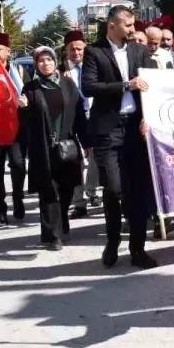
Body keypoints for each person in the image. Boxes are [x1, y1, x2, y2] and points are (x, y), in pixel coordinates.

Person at [81, 5, 159, 269]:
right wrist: (126, 85)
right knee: (114, 190)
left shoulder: (139, 51)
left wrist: (149, 118)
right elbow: (89, 87)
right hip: (108, 131)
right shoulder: (94, 51)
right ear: (112, 26)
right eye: (127, 25)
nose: (132, 30)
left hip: (136, 130)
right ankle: (112, 240)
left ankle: (138, 249)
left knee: (137, 191)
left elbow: (154, 87)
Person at [21, 46, 89, 251]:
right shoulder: (30, 89)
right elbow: (25, 123)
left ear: (55, 61)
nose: (45, 64)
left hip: (67, 146)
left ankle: (61, 224)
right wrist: (22, 109)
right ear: (36, 64)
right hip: (44, 149)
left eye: (49, 60)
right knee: (49, 192)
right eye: (41, 61)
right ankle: (52, 236)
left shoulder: (67, 84)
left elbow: (78, 115)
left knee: (67, 190)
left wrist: (86, 142)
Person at [0, 33, 29, 223]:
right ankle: (0, 210)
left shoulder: (18, 71)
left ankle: (18, 200)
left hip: (15, 126)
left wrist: (25, 102)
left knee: (18, 165)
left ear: (8, 52)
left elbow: (29, 92)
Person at [62, 30, 100, 218]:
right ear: (66, 51)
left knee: (94, 158)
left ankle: (92, 191)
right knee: (75, 161)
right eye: (72, 49)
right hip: (70, 120)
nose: (76, 53)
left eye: (80, 49)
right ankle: (79, 203)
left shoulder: (93, 67)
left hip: (92, 116)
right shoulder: (59, 71)